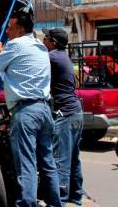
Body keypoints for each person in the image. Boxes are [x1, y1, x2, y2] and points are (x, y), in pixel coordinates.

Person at [0, 6, 61, 207]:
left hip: (26, 111)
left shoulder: (15, 45)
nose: (7, 32)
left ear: (19, 29)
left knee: (26, 162)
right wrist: (2, 53)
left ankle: (26, 204)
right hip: (44, 110)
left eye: (10, 28)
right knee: (47, 162)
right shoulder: (39, 46)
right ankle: (55, 204)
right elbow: (18, 63)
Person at [42, 28, 84, 206]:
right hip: (75, 112)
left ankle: (59, 200)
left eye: (45, 38)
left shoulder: (52, 57)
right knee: (73, 157)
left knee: (60, 159)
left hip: (65, 114)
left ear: (53, 42)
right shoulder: (62, 56)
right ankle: (76, 195)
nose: (43, 40)